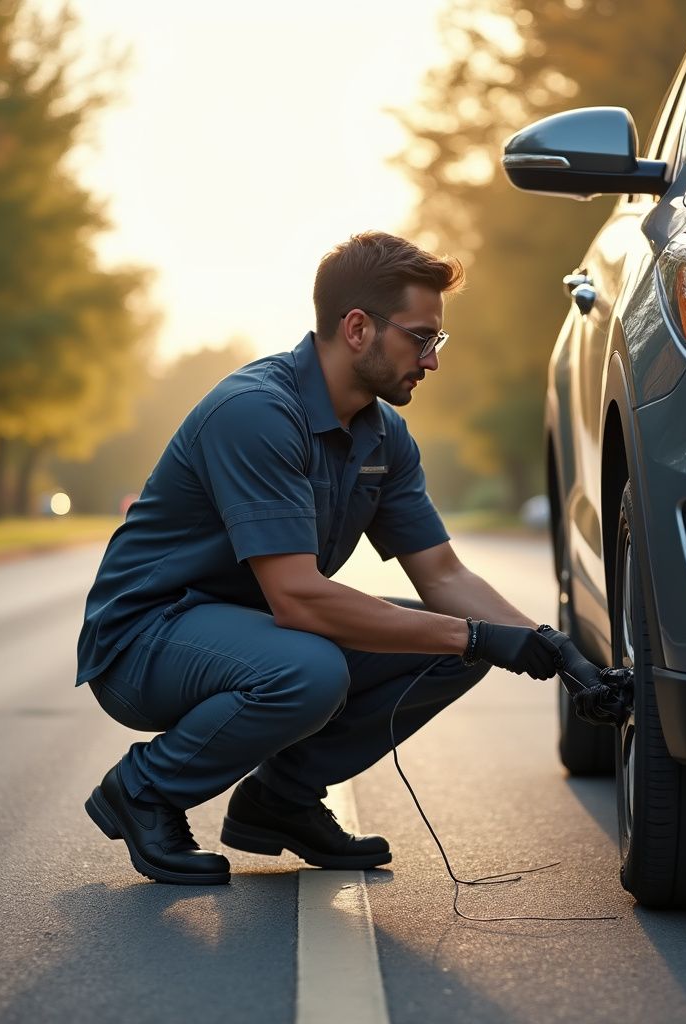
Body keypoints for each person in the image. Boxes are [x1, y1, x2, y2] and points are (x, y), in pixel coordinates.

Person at [76, 231, 605, 886]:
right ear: (357, 328)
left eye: (436, 341)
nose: (432, 361)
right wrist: (477, 636)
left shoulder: (383, 435)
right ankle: (144, 789)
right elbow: (298, 598)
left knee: (447, 652)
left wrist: (556, 651)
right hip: (146, 642)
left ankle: (282, 799)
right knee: (315, 667)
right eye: (421, 337)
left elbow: (442, 573)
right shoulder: (258, 413)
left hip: (251, 633)